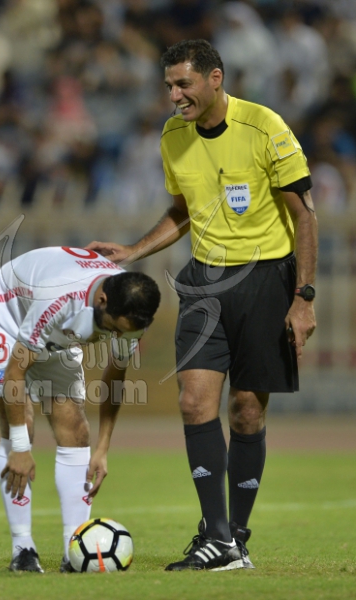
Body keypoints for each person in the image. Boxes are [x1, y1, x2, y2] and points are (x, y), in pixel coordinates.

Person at [87, 39, 317, 571]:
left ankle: (236, 537)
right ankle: (216, 536)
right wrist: (134, 250)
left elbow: (305, 215)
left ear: (215, 79)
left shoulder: (265, 127)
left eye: (183, 84)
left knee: (247, 409)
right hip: (203, 282)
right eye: (169, 85)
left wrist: (303, 299)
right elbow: (183, 211)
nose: (174, 95)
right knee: (194, 402)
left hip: (266, 278)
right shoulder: (173, 135)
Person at [0, 246, 161, 573]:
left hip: (56, 332)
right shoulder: (59, 299)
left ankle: (75, 550)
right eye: (114, 329)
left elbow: (115, 377)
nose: (117, 336)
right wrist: (20, 448)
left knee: (76, 430)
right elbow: (15, 373)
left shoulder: (132, 314)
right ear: (102, 300)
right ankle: (23, 549)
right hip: (3, 313)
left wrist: (103, 448)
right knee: (21, 426)